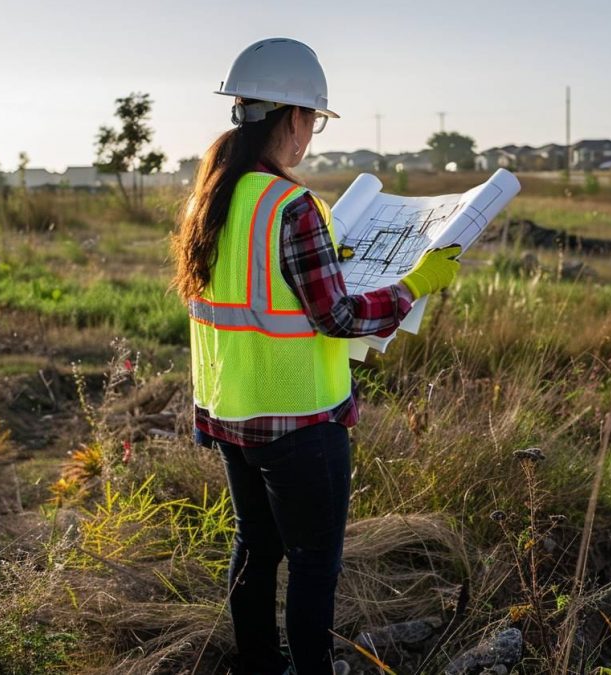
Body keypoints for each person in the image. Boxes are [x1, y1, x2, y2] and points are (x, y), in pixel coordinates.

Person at [171, 37, 461, 675]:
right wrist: (414, 285)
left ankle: (257, 665)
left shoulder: (213, 198)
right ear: (296, 117)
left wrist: (331, 262)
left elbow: (254, 293)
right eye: (315, 122)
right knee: (313, 566)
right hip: (300, 421)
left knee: (256, 547)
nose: (312, 137)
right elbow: (338, 317)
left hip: (232, 415)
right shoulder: (292, 204)